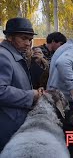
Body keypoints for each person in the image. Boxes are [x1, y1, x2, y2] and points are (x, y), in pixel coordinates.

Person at [0, 18, 43, 151]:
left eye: (30, 39)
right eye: (23, 38)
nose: (28, 43)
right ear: (10, 37)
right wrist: (31, 95)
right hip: (6, 123)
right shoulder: (3, 56)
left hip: (15, 120)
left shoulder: (15, 55)